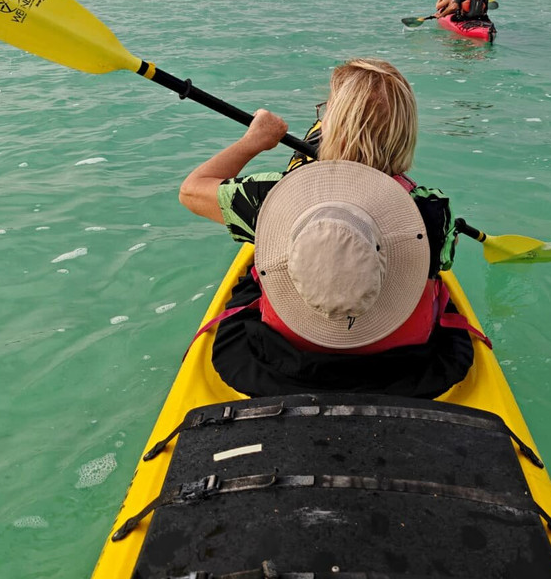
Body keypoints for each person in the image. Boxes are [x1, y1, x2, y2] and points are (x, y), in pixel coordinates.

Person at [178, 58, 478, 397]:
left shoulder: (272, 198)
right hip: (401, 366)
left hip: (287, 361)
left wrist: (255, 140)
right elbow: (442, 263)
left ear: (332, 125)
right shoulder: (434, 210)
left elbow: (191, 190)